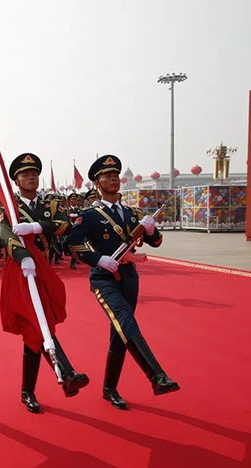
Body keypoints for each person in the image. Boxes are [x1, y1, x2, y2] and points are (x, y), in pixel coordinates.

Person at [68, 154, 179, 410]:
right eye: (107, 176)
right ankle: (157, 376)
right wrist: (99, 259)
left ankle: (109, 388)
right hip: (104, 279)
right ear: (97, 182)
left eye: (115, 175)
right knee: (126, 322)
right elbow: (72, 243)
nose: (113, 179)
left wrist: (151, 230)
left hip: (129, 278)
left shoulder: (131, 213)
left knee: (120, 334)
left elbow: (157, 242)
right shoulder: (90, 215)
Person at [0, 152, 89, 413]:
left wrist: (37, 227)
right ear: (16, 181)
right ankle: (67, 373)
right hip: (21, 269)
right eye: (25, 174)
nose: (31, 177)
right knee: (41, 323)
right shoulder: (11, 207)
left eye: (34, 174)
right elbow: (5, 231)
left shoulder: (51, 204)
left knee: (35, 331)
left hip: (44, 267)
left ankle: (28, 391)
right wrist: (22, 254)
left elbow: (63, 226)